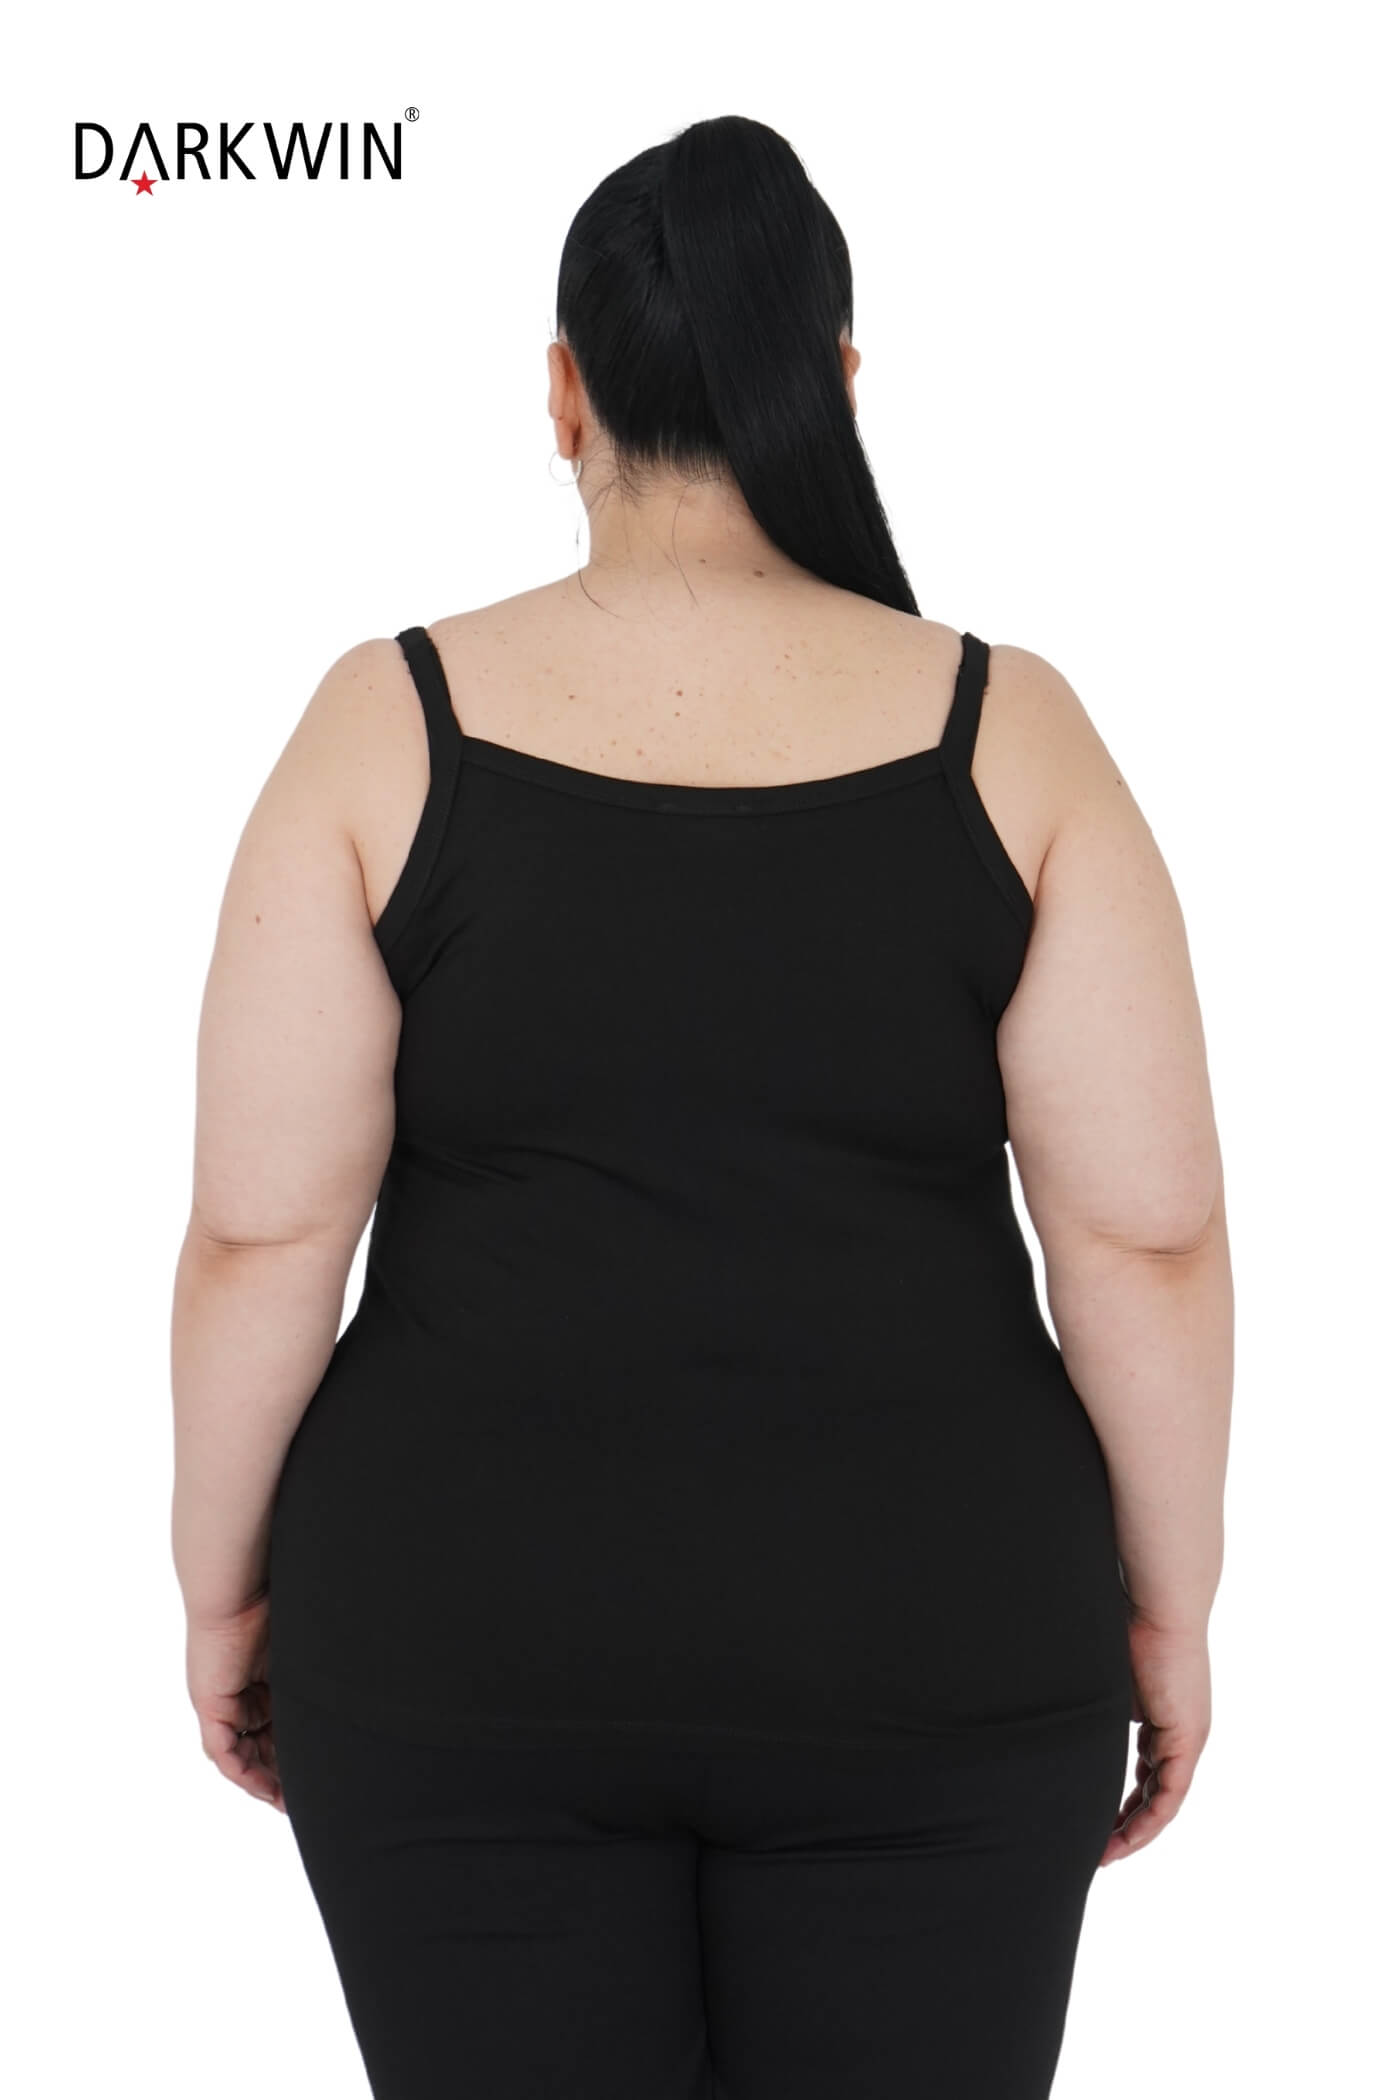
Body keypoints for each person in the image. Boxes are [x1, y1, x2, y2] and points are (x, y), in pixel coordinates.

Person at [170, 113, 1233, 2100]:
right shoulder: (1008, 734)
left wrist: (221, 1584)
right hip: (937, 1641)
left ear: (563, 395)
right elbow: (1142, 1239)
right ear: (835, 380)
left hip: (457, 1641)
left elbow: (263, 1237)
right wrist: (1168, 1612)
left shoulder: (386, 725)